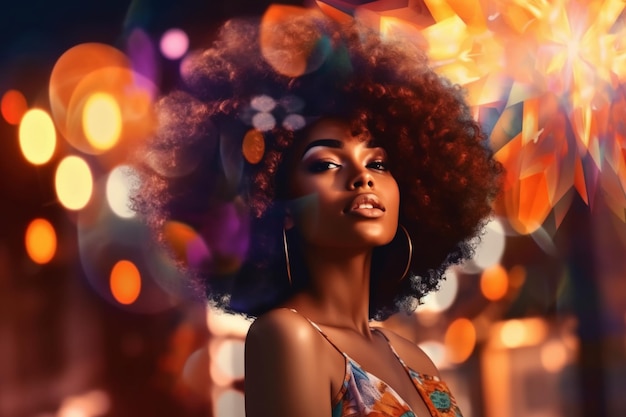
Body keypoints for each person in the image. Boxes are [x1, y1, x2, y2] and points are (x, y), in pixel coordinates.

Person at [132, 5, 502, 417]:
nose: (362, 176)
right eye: (326, 164)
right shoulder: (287, 337)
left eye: (378, 163)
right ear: (276, 205)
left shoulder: (412, 358)